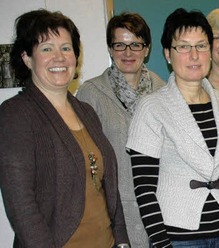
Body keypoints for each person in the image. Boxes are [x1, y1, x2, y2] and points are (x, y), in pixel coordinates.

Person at [0, 10, 129, 247]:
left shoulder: (86, 111)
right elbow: (21, 207)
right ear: (27, 58)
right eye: (47, 48)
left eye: (66, 48)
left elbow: (108, 187)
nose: (59, 57)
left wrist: (121, 241)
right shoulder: (15, 114)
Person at [126, 8, 219, 247]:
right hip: (179, 238)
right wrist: (160, 242)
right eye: (184, 47)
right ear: (168, 54)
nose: (194, 55)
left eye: (201, 46)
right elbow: (144, 187)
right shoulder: (152, 107)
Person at [75, 12, 165, 247]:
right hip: (114, 213)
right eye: (120, 45)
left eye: (135, 44)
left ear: (147, 49)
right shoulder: (91, 93)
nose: (128, 53)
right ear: (110, 49)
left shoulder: (163, 90)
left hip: (161, 210)